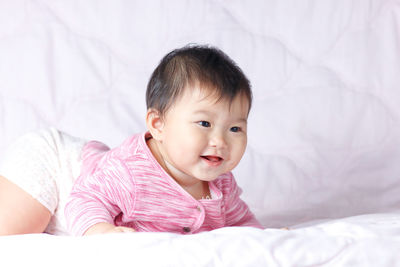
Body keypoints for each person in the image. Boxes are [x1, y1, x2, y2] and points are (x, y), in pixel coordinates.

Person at [0, 45, 262, 236]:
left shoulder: (222, 185)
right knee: (15, 234)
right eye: (204, 124)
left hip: (93, 165)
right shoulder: (131, 171)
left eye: (235, 128)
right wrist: (100, 232)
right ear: (158, 125)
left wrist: (267, 237)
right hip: (56, 168)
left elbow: (240, 223)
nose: (220, 140)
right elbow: (85, 198)